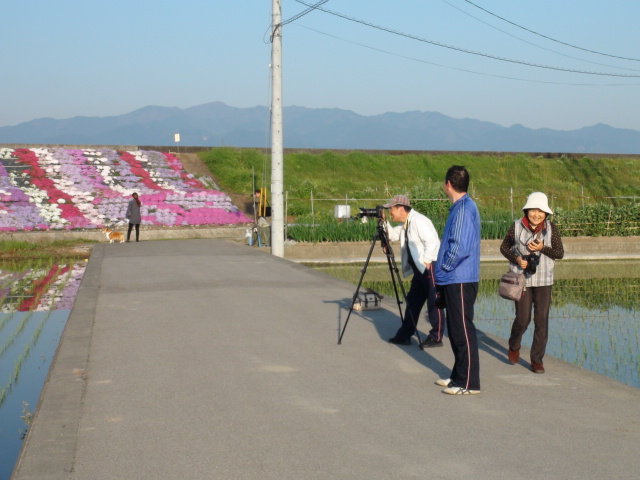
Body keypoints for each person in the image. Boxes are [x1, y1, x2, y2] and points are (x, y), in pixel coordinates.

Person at [500, 192, 564, 374]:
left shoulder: (552, 229)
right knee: (523, 319)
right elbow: (504, 248)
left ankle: (537, 360)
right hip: (522, 280)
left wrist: (543, 248)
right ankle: (514, 345)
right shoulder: (516, 227)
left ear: (546, 213)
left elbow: (559, 253)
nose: (536, 214)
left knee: (541, 320)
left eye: (541, 211)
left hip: (544, 280)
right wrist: (517, 259)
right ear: (527, 210)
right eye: (533, 210)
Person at [434, 166, 481, 395]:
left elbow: (460, 247)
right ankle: (458, 375)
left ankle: (468, 382)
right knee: (455, 330)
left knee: (462, 330)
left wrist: (444, 266)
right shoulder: (461, 207)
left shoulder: (463, 208)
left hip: (460, 278)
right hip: (455, 278)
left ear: (448, 184)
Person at [381, 195, 444, 347]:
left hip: (429, 268)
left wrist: (427, 261)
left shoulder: (419, 221)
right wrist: (383, 221)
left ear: (401, 208)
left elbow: (433, 242)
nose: (390, 211)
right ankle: (404, 335)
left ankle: (436, 337)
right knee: (413, 302)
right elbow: (393, 234)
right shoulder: (406, 224)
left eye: (391, 209)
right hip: (420, 270)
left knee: (434, 303)